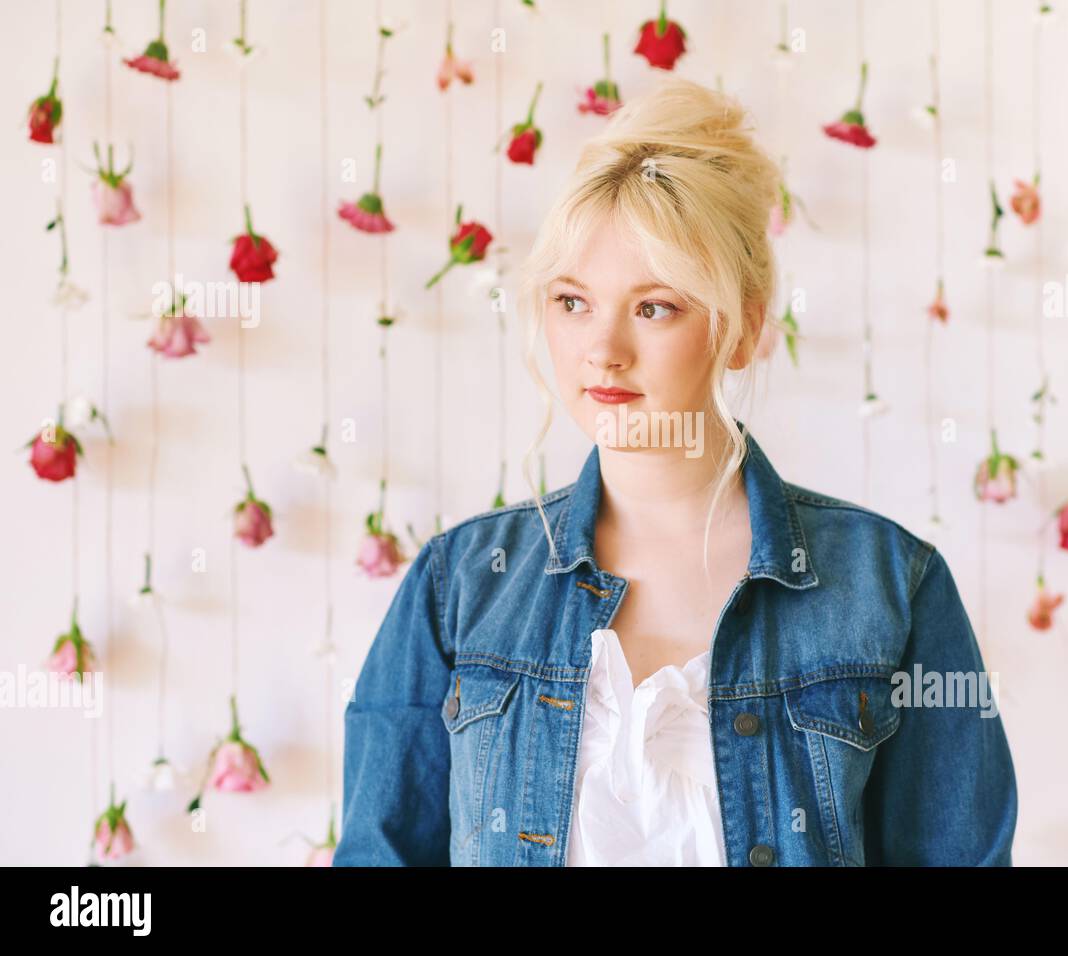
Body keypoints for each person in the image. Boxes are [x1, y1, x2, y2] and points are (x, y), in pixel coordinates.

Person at [334, 75, 1017, 867]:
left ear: (743, 328)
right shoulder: (458, 588)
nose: (602, 349)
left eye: (654, 306)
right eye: (571, 301)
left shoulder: (890, 583)